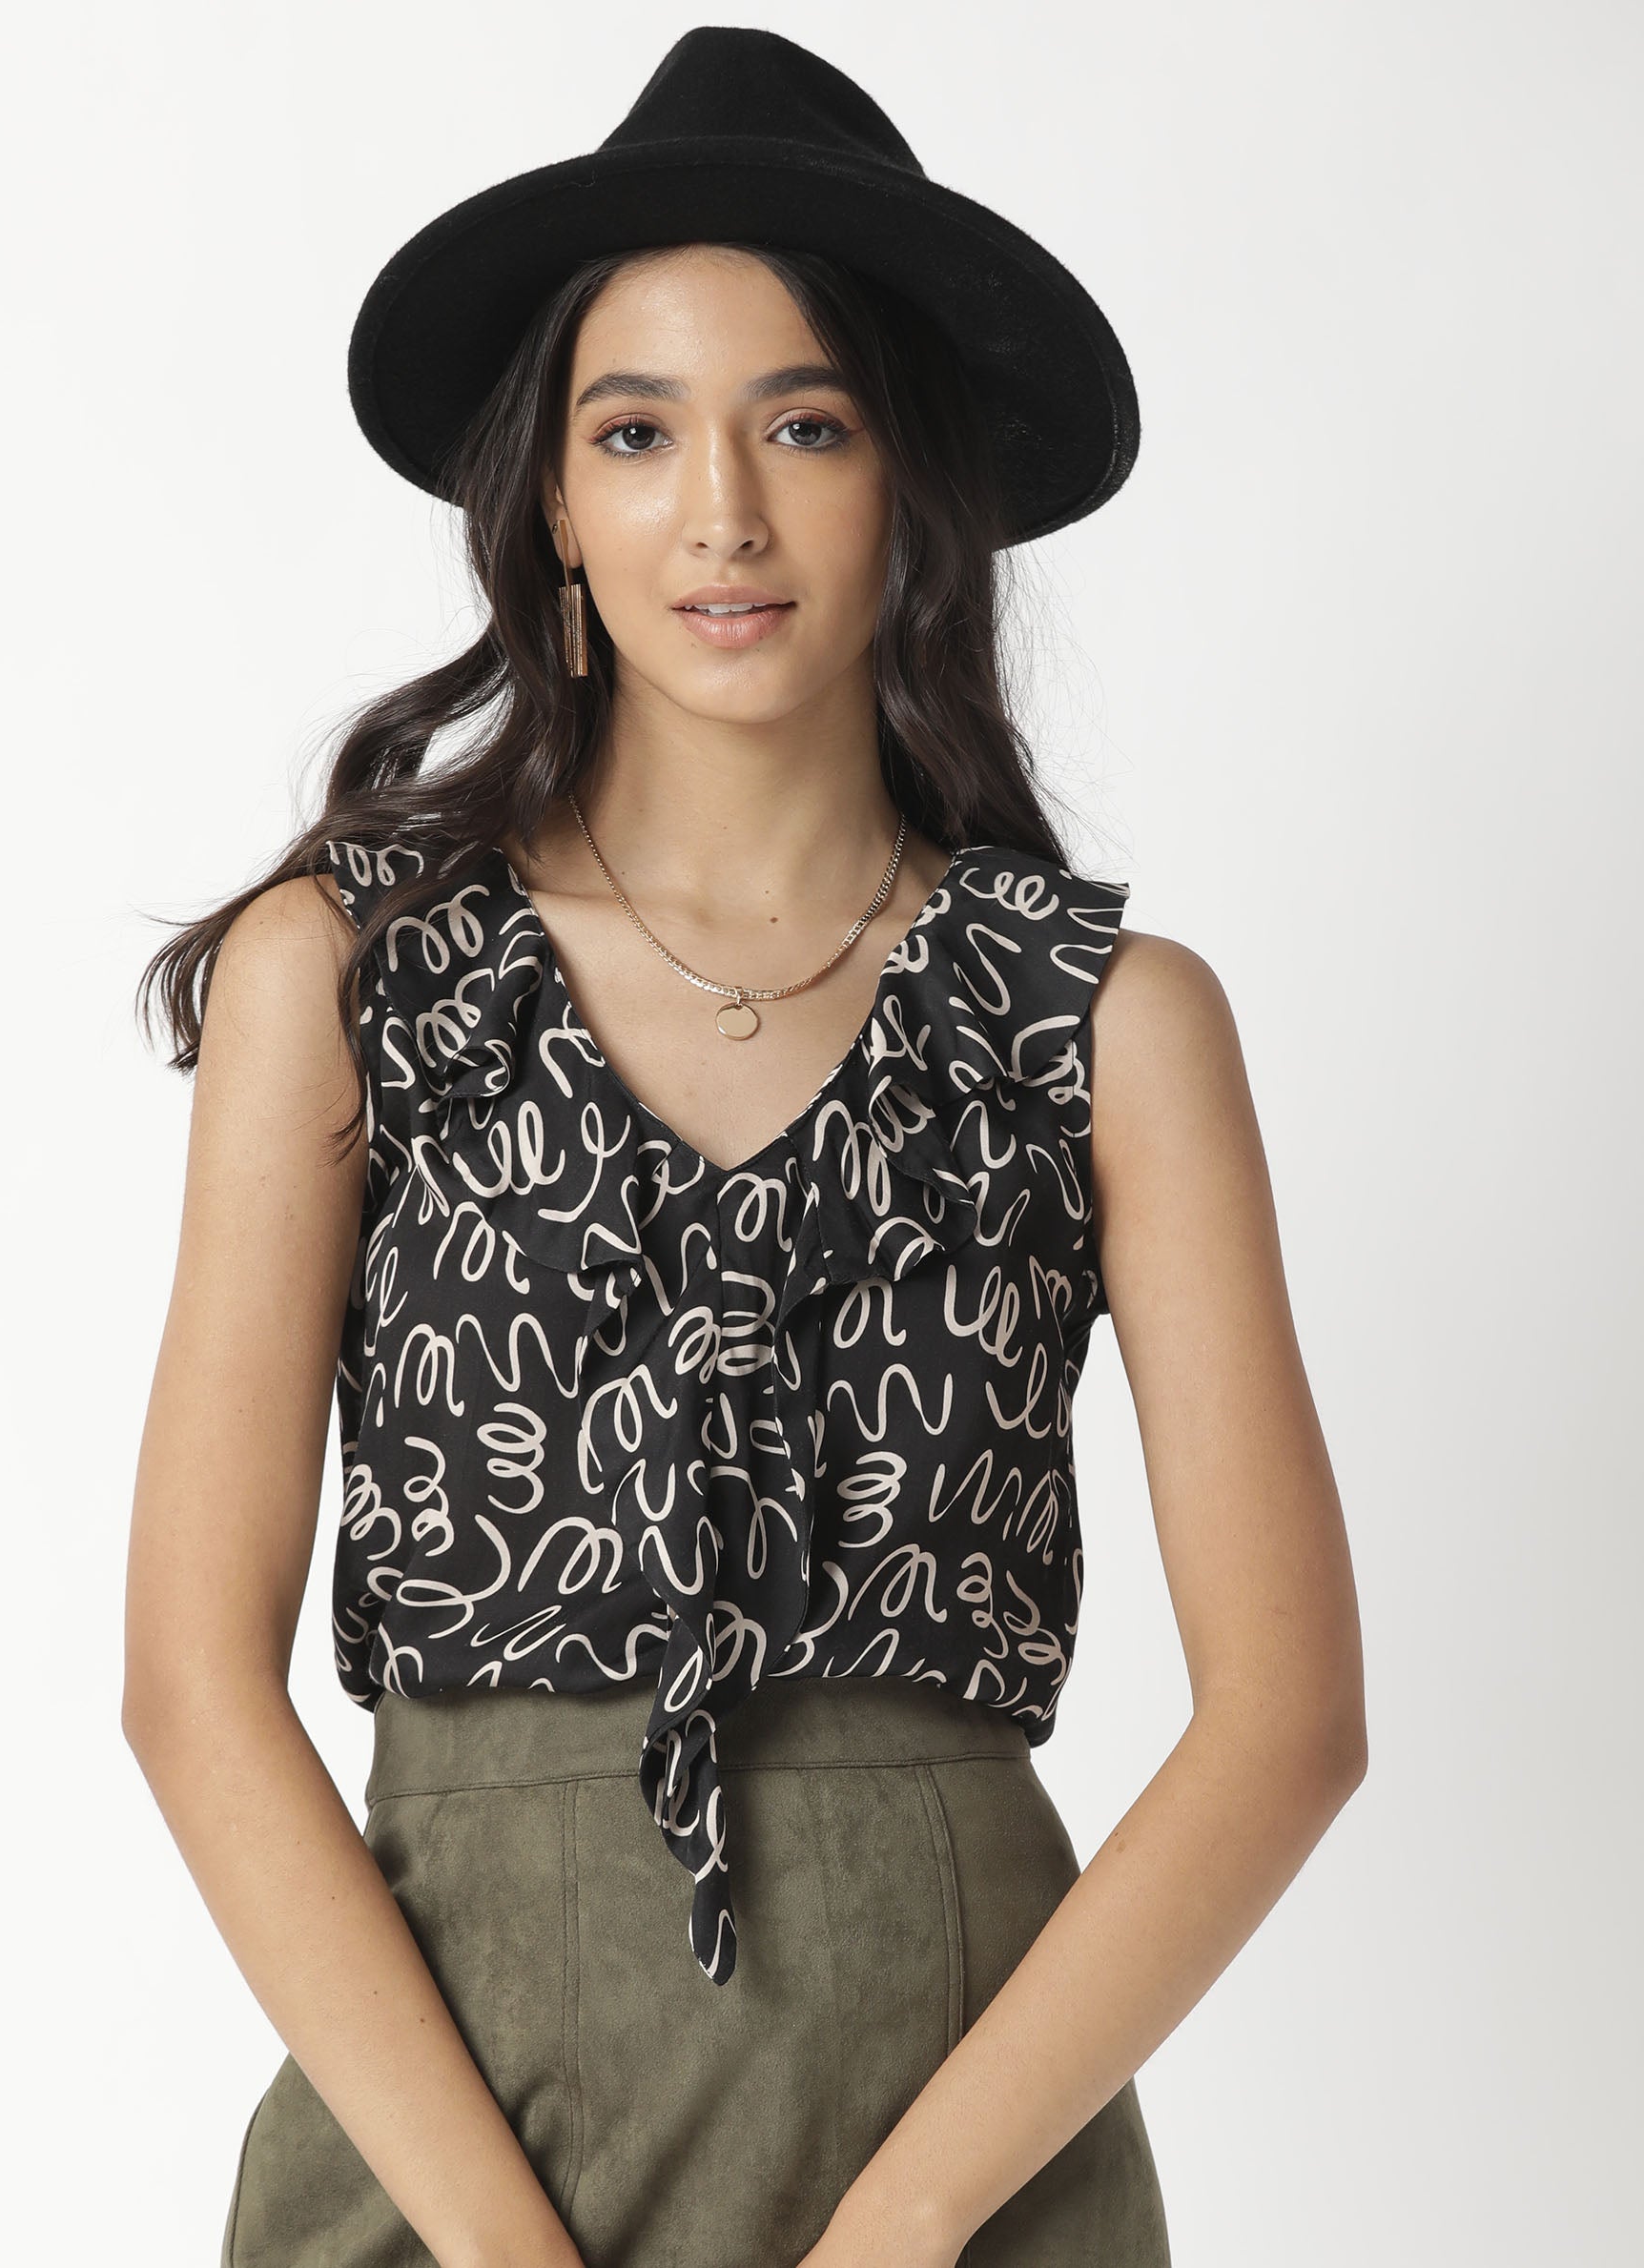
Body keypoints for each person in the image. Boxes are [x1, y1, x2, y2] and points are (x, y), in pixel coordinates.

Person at [124, 27, 1367, 2268]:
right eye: (636, 432)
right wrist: (501, 2246)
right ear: (553, 506)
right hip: (446, 2140)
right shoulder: (360, 976)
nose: (722, 509)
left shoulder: (1105, 1021)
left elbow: (1288, 1721)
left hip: (963, 2145)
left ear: (916, 484)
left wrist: (905, 2230)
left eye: (807, 423)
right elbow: (191, 1689)